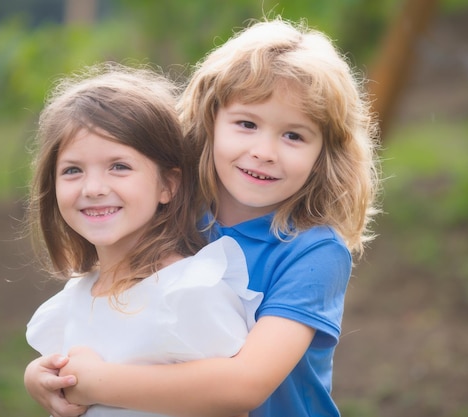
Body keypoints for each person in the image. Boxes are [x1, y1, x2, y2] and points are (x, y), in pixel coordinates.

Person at [25, 16, 380, 417]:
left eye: (293, 135)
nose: (264, 150)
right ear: (210, 123)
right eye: (246, 124)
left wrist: (92, 383)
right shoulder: (176, 214)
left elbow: (244, 385)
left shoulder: (314, 252)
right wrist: (49, 375)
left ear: (323, 156)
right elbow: (118, 315)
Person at [22, 63, 262, 417]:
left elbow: (229, 404)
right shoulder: (73, 298)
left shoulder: (190, 290)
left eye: (119, 166)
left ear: (168, 185)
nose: (93, 189)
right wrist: (42, 379)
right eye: (73, 170)